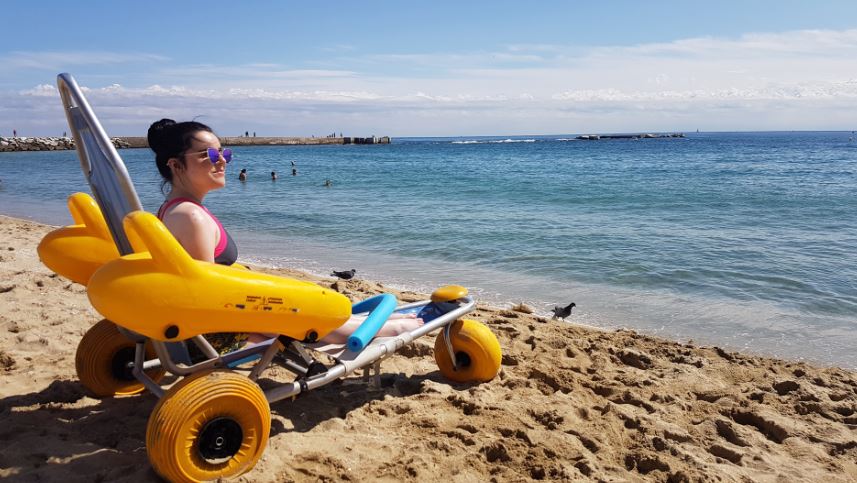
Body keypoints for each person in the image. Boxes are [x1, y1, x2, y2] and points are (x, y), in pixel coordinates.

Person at [147, 119, 421, 347]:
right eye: (210, 155)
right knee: (304, 317)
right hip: (216, 334)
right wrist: (267, 313)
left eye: (225, 153)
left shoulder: (173, 209)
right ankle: (389, 329)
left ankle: (371, 322)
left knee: (307, 306)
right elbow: (206, 297)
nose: (222, 162)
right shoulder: (190, 216)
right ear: (176, 165)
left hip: (210, 322)